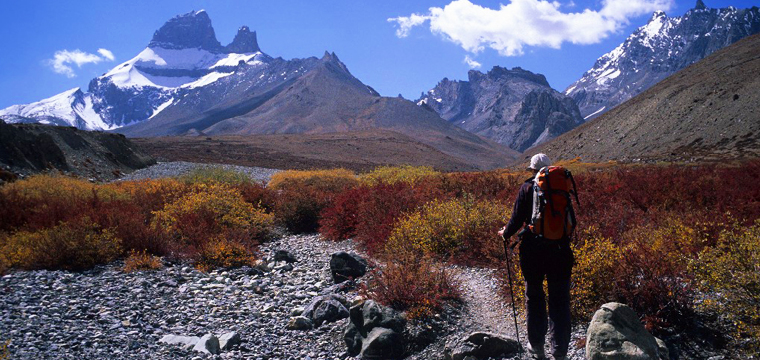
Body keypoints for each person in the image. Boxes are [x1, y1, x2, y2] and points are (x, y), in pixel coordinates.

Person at [498, 153, 574, 360]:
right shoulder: (562, 187)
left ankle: (537, 347)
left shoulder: (527, 188)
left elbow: (516, 220)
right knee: (560, 300)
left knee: (534, 296)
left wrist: (504, 234)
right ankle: (559, 352)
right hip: (560, 251)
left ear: (533, 170)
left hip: (533, 251)